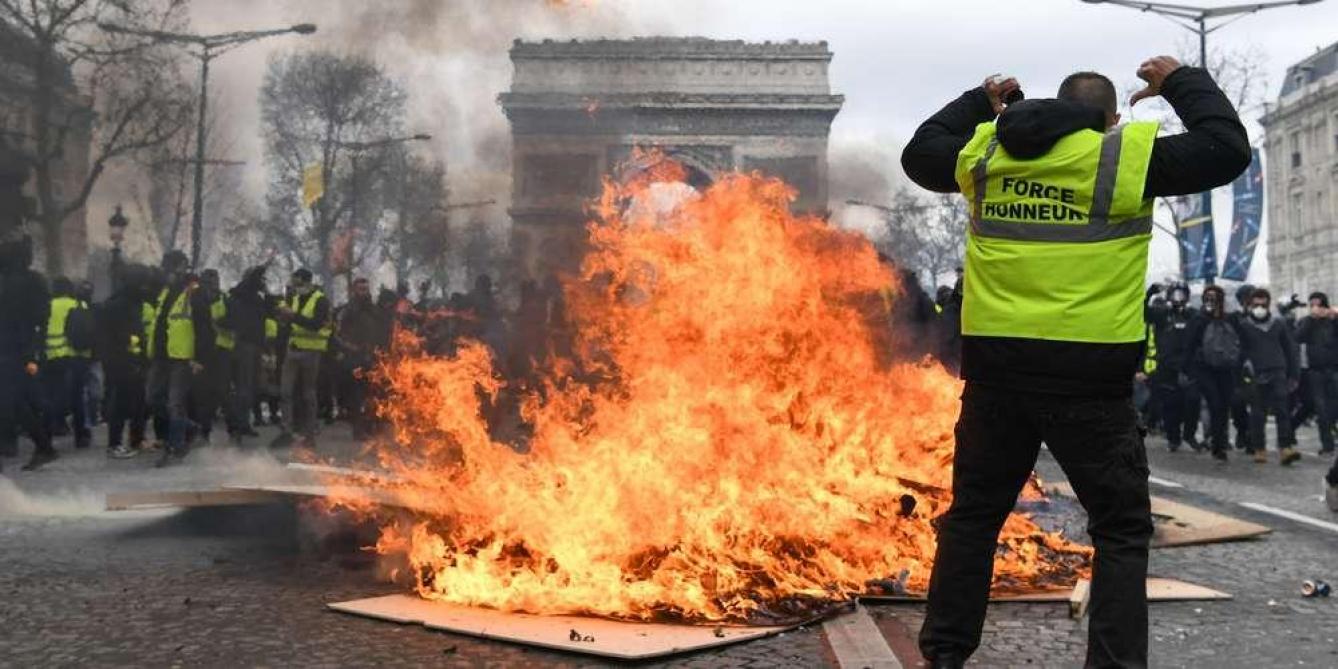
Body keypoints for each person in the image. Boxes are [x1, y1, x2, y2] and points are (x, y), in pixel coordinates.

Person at [901, 55, 1250, 668]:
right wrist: (1180, 83)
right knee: (1118, 531)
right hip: (1090, 383)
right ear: (1111, 118)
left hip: (996, 376)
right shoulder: (1122, 160)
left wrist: (981, 102)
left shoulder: (986, 156)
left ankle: (944, 656)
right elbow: (1226, 149)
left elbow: (921, 152)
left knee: (974, 522)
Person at [145, 251, 214, 467]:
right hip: (161, 355)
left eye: (172, 268)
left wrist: (199, 357)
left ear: (182, 267)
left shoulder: (193, 292)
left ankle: (175, 446)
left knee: (175, 403)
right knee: (153, 398)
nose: (168, 273)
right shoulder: (165, 292)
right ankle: (189, 428)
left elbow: (204, 328)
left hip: (182, 357)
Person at [0, 231, 56, 472]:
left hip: (12, 349)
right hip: (18, 348)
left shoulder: (13, 282)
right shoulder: (31, 280)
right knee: (17, 402)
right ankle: (44, 445)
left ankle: (43, 446)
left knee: (12, 401)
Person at [1236, 288, 1300, 465]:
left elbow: (1290, 350)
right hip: (1256, 374)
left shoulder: (1278, 324)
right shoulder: (1244, 326)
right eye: (1256, 304)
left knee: (1282, 411)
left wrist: (1294, 375)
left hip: (1278, 370)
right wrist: (1241, 375)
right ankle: (1259, 449)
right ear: (1250, 304)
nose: (1259, 307)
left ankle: (1285, 448)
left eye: (1263, 304)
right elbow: (1240, 352)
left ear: (1268, 303)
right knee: (1258, 413)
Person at [271, 269, 330, 450]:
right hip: (293, 350)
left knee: (308, 394)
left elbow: (316, 324)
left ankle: (309, 434)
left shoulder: (320, 299)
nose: (295, 288)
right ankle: (286, 431)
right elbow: (288, 324)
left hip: (312, 352)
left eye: (298, 284)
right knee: (285, 392)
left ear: (307, 282)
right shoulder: (294, 299)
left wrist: (292, 316)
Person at [99, 264, 152, 459]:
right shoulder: (121, 305)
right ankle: (115, 443)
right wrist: (130, 358)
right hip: (123, 362)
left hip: (131, 361)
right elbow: (121, 336)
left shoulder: (127, 303)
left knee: (139, 403)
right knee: (121, 404)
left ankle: (136, 439)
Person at [1186, 285, 1241, 462]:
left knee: (1224, 407)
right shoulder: (1198, 319)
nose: (1211, 301)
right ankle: (1217, 444)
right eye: (1207, 298)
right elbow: (1189, 344)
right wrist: (1187, 370)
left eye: (1214, 298)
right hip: (1204, 368)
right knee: (1215, 403)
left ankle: (1219, 443)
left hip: (1226, 368)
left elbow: (1240, 342)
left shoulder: (1231, 319)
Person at [1146, 282, 1202, 451]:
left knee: (1193, 400)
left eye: (1182, 294)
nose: (1179, 298)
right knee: (1171, 404)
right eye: (1175, 294)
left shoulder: (1193, 314)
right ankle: (1173, 438)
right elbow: (1143, 312)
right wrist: (1150, 294)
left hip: (1189, 365)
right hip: (1167, 365)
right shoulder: (1162, 314)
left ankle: (1190, 434)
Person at [43, 276, 93, 450]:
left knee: (51, 396)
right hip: (75, 356)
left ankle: (49, 434)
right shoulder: (79, 305)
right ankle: (81, 437)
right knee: (77, 397)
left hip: (51, 356)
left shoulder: (48, 305)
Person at [335, 277, 387, 439]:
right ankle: (358, 429)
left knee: (373, 393)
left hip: (372, 357)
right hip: (354, 358)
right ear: (354, 291)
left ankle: (371, 425)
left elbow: (382, 332)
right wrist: (350, 349)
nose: (364, 292)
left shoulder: (374, 310)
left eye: (366, 289)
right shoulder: (347, 311)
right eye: (360, 289)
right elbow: (337, 334)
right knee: (356, 395)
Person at [224, 264, 270, 443]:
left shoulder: (254, 298)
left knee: (250, 388)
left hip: (254, 345)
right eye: (261, 279)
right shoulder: (243, 294)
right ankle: (237, 426)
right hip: (244, 346)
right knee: (243, 389)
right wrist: (263, 266)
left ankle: (243, 424)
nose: (263, 282)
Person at [1296, 293, 1337, 455]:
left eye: (1318, 305)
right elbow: (1298, 337)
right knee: (1321, 409)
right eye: (1312, 305)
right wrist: (1311, 320)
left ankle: (1331, 429)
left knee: (1333, 406)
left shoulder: (1333, 320)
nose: (1315, 308)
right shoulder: (1307, 322)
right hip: (1315, 371)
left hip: (1334, 369)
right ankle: (1327, 445)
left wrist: (1334, 317)